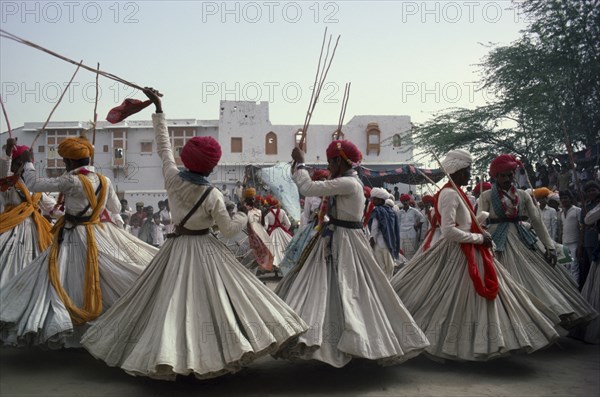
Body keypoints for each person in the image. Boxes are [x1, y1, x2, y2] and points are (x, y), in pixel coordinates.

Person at [81, 88, 307, 381]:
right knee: (215, 304)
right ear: (212, 166)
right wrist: (246, 214)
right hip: (205, 250)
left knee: (169, 304)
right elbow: (228, 230)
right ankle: (213, 354)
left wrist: (159, 108)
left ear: (186, 158)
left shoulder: (172, 178)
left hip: (176, 248)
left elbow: (163, 145)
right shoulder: (212, 194)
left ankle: (169, 356)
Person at [391, 149, 559, 361]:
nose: (470, 175)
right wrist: (479, 238)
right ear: (459, 171)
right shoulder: (450, 194)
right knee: (448, 298)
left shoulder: (456, 192)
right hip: (458, 251)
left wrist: (478, 228)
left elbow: (464, 224)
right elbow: (450, 230)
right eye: (468, 170)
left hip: (469, 248)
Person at [275, 140, 428, 368]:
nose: (328, 166)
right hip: (336, 237)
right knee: (335, 289)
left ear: (338, 161)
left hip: (346, 240)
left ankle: (356, 342)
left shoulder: (349, 183)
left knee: (350, 290)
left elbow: (309, 189)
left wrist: (301, 163)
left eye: (330, 161)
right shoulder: (346, 181)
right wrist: (299, 165)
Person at [0, 135, 157, 348]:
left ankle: (66, 328)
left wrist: (27, 162)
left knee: (62, 279)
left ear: (70, 163)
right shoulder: (105, 180)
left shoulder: (70, 180)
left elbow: (35, 183)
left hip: (73, 235)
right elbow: (116, 209)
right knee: (101, 276)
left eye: (64, 161)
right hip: (99, 233)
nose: (64, 165)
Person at [478, 154, 596, 328]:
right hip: (497, 242)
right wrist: (480, 234)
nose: (507, 179)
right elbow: (478, 220)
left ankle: (542, 319)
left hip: (522, 238)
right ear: (495, 176)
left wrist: (549, 247)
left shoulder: (523, 195)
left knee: (538, 279)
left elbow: (537, 222)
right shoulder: (486, 196)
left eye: (510, 175)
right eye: (502, 175)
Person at [0, 141, 55, 288]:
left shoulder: (36, 186)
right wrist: (8, 154)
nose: (22, 167)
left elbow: (52, 207)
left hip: (36, 231)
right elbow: (3, 178)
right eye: (19, 163)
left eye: (24, 163)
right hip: (11, 228)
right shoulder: (8, 184)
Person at [368, 187, 400, 279]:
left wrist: (371, 241)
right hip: (390, 244)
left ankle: (382, 290)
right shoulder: (391, 211)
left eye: (373, 199)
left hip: (379, 243)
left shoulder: (377, 211)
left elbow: (374, 228)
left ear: (379, 200)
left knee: (380, 268)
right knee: (389, 268)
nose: (372, 201)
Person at [557, 190, 581, 284]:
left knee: (574, 267)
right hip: (564, 243)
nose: (564, 200)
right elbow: (562, 230)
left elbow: (581, 228)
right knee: (565, 267)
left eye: (566, 198)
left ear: (570, 199)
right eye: (562, 198)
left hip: (574, 243)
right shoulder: (562, 213)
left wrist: (580, 245)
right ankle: (569, 289)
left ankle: (576, 290)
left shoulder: (577, 210)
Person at [263, 195, 292, 273]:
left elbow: (265, 227)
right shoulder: (282, 211)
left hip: (272, 232)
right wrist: (284, 230)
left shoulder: (268, 214)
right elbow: (288, 224)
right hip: (282, 231)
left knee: (273, 250)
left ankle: (275, 265)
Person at [397, 193, 424, 260]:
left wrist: (417, 226)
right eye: (404, 201)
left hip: (412, 233)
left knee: (412, 251)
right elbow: (397, 223)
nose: (405, 202)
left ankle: (411, 266)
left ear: (409, 201)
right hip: (402, 234)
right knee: (403, 251)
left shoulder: (414, 211)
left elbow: (423, 218)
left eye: (406, 200)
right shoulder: (399, 212)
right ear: (401, 202)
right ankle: (404, 266)